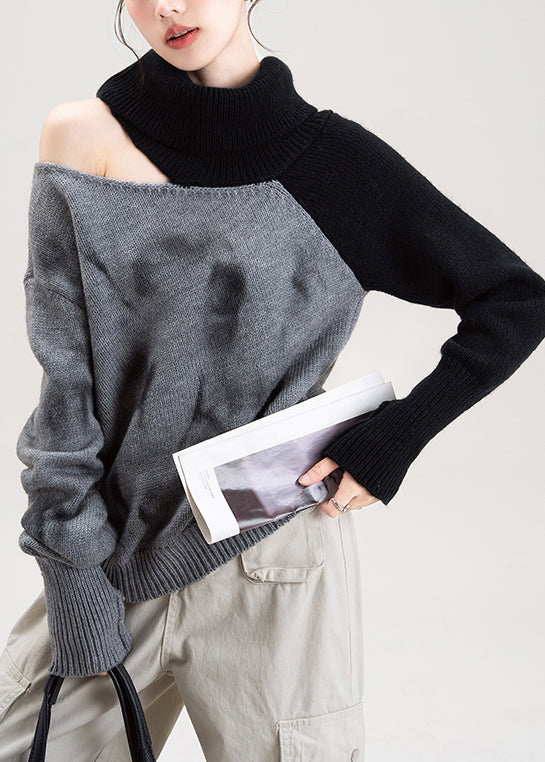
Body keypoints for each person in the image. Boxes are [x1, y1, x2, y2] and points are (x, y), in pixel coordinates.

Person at [1, 0, 545, 759]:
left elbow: (515, 299)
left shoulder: (336, 166)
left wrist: (395, 437)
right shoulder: (81, 137)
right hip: (109, 554)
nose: (167, 6)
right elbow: (66, 377)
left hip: (274, 549)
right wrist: (71, 571)